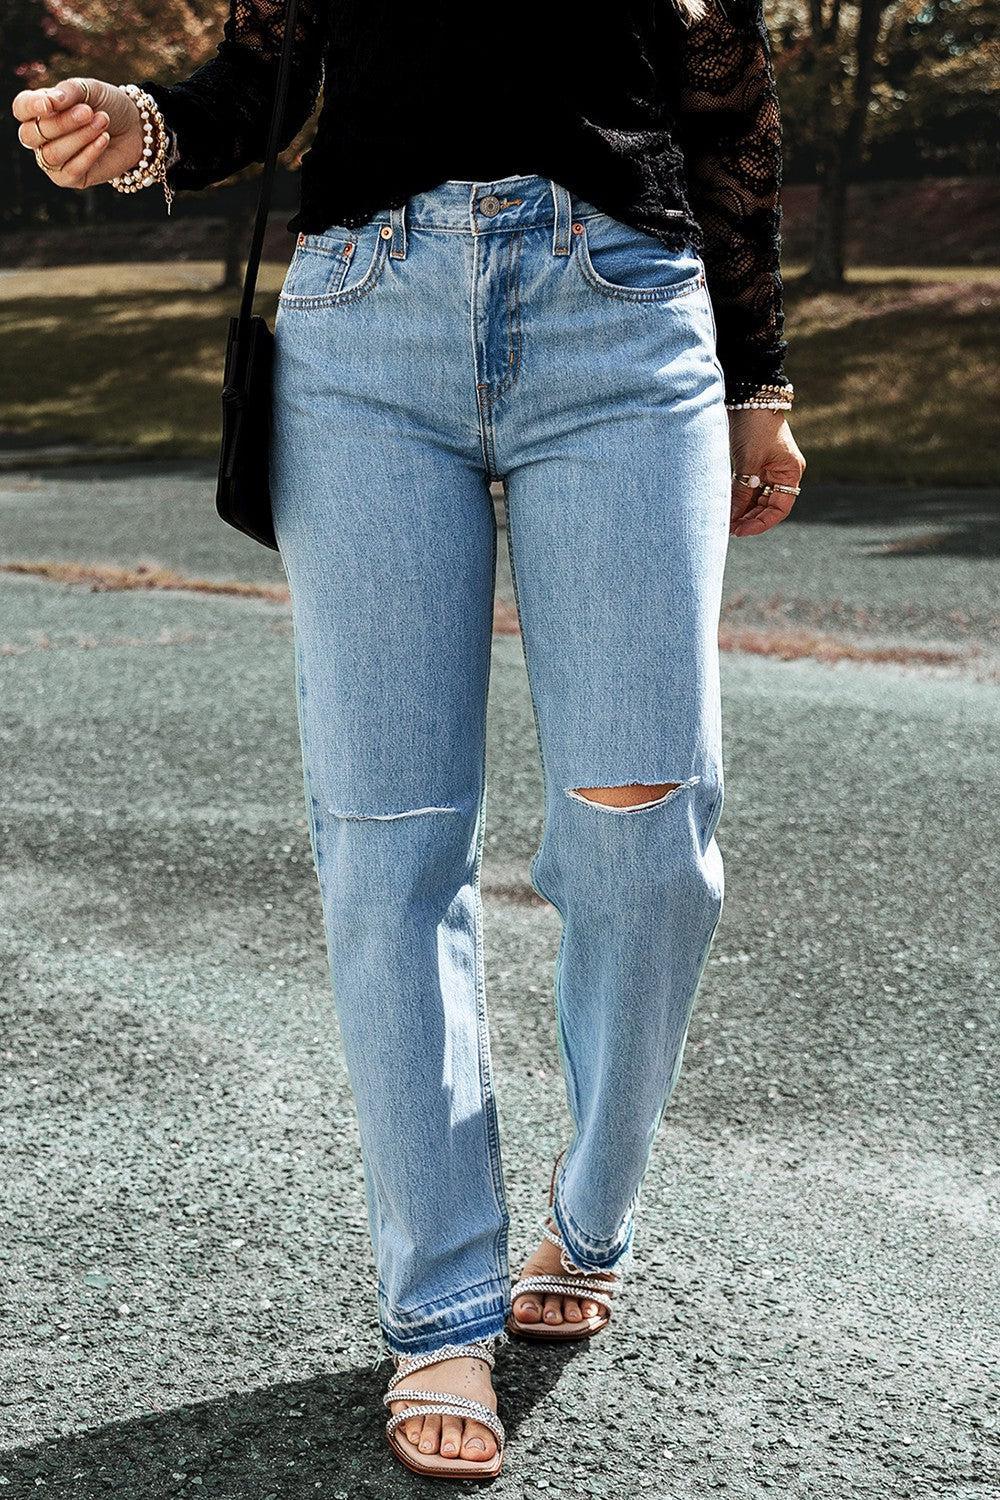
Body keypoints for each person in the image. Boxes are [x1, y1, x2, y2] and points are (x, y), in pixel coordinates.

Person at [12, 0, 806, 1481]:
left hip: (621, 316)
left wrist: (760, 381)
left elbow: (728, 106)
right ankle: (439, 1307)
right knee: (385, 840)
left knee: (649, 832)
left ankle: (593, 1205)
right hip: (363, 325)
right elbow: (269, 75)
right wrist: (145, 130)